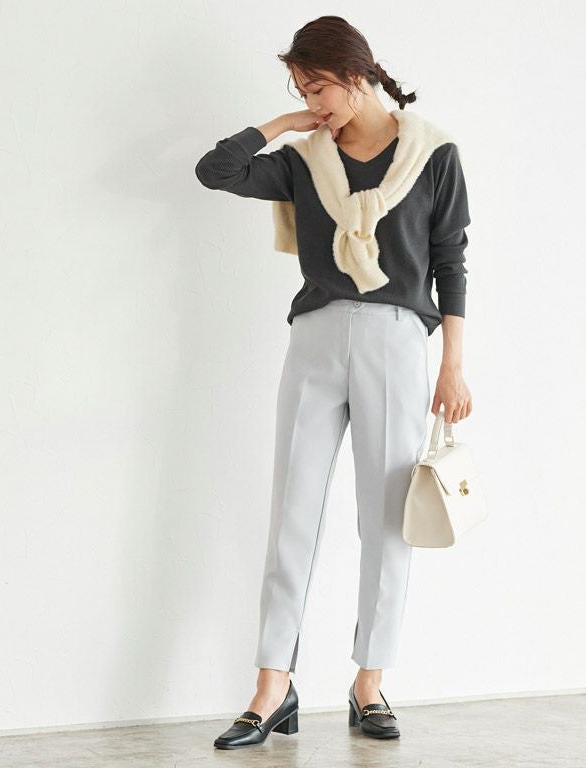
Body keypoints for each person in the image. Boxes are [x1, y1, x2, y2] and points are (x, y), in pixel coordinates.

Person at [195, 15, 473, 750]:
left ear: (357, 75)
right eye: (300, 90)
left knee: (386, 519)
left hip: (397, 341)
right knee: (292, 511)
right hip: (316, 339)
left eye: (317, 87)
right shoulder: (303, 160)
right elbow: (216, 170)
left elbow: (450, 260)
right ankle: (272, 688)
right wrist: (285, 123)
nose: (311, 103)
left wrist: (452, 364)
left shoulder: (434, 154)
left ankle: (369, 683)